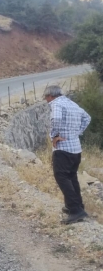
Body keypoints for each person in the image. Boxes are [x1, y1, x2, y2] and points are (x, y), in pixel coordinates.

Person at [44, 85, 91, 224]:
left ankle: (76, 211)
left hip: (63, 149)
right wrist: (77, 133)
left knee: (61, 176)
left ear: (50, 96)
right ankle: (76, 206)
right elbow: (87, 118)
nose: (46, 101)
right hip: (76, 148)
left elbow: (56, 120)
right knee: (71, 176)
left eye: (46, 98)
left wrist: (54, 136)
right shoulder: (71, 103)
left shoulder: (56, 104)